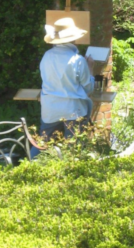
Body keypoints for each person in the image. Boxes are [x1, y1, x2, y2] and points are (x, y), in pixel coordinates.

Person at [30, 17, 95, 159]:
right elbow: (89, 88)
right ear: (73, 38)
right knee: (72, 149)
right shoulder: (78, 60)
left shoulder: (46, 56)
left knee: (43, 143)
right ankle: (69, 174)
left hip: (50, 108)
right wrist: (90, 69)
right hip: (73, 109)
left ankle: (27, 165)